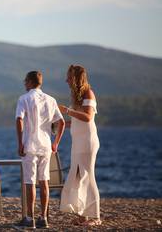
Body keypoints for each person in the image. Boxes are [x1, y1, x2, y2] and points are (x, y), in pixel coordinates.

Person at [15, 71, 65, 229]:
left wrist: (20, 143)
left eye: (25, 81)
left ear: (30, 82)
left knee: (30, 182)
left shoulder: (24, 98)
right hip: (45, 146)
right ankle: (43, 217)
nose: (24, 84)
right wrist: (55, 143)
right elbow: (62, 122)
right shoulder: (51, 100)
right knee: (44, 182)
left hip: (30, 145)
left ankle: (30, 218)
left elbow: (19, 119)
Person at [58, 65, 101, 226]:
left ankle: (95, 217)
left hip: (87, 143)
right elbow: (77, 120)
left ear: (76, 78)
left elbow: (88, 117)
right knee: (78, 177)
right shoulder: (78, 96)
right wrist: (59, 124)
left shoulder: (88, 93)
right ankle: (84, 215)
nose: (66, 80)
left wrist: (67, 111)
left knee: (88, 177)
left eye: (69, 77)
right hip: (78, 144)